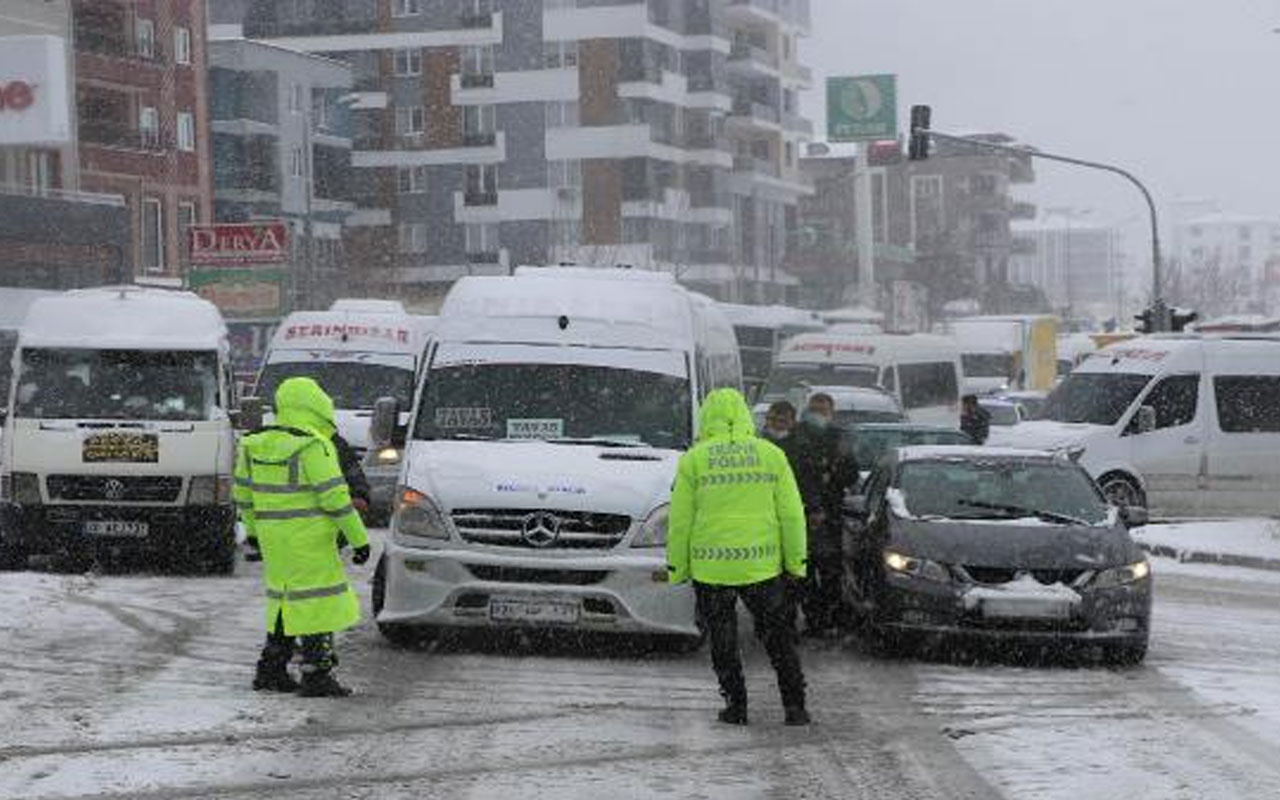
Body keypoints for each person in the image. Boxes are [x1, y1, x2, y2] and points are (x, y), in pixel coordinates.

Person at [667, 388, 810, 726]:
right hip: (762, 566)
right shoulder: (771, 455)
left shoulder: (694, 460)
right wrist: (796, 563)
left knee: (723, 640)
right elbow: (791, 515)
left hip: (711, 567)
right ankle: (795, 706)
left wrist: (678, 567)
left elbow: (680, 521)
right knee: (779, 640)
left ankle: (736, 706)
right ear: (746, 415)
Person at [234, 377, 372, 697]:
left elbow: (243, 496)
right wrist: (359, 539)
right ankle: (317, 673)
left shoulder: (254, 443)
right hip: (311, 539)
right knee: (318, 604)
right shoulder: (314, 444)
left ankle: (271, 668)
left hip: (275, 540)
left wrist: (254, 534)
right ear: (317, 404)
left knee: (285, 601)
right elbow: (334, 498)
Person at [789, 392, 859, 638]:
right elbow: (793, 472)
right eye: (814, 409)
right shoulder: (797, 435)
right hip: (800, 513)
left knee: (830, 571)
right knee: (803, 572)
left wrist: (833, 473)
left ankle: (829, 619)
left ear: (831, 412)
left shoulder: (838, 438)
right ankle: (813, 618)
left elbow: (851, 475)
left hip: (831, 515)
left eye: (823, 410)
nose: (818, 414)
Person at [244, 430, 371, 562]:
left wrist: (359, 495)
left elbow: (351, 472)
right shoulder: (276, 440)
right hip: (291, 527)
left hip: (305, 528)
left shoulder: (330, 443)